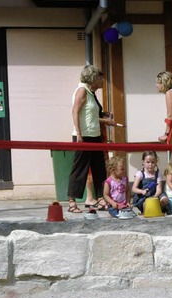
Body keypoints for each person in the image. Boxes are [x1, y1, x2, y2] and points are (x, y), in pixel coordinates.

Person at [67, 65, 117, 213]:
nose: (101, 80)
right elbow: (75, 111)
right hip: (84, 136)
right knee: (80, 169)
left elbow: (91, 116)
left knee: (99, 168)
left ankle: (102, 198)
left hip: (95, 135)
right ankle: (72, 202)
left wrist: (106, 120)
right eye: (99, 78)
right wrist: (79, 134)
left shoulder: (91, 93)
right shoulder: (82, 91)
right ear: (92, 78)